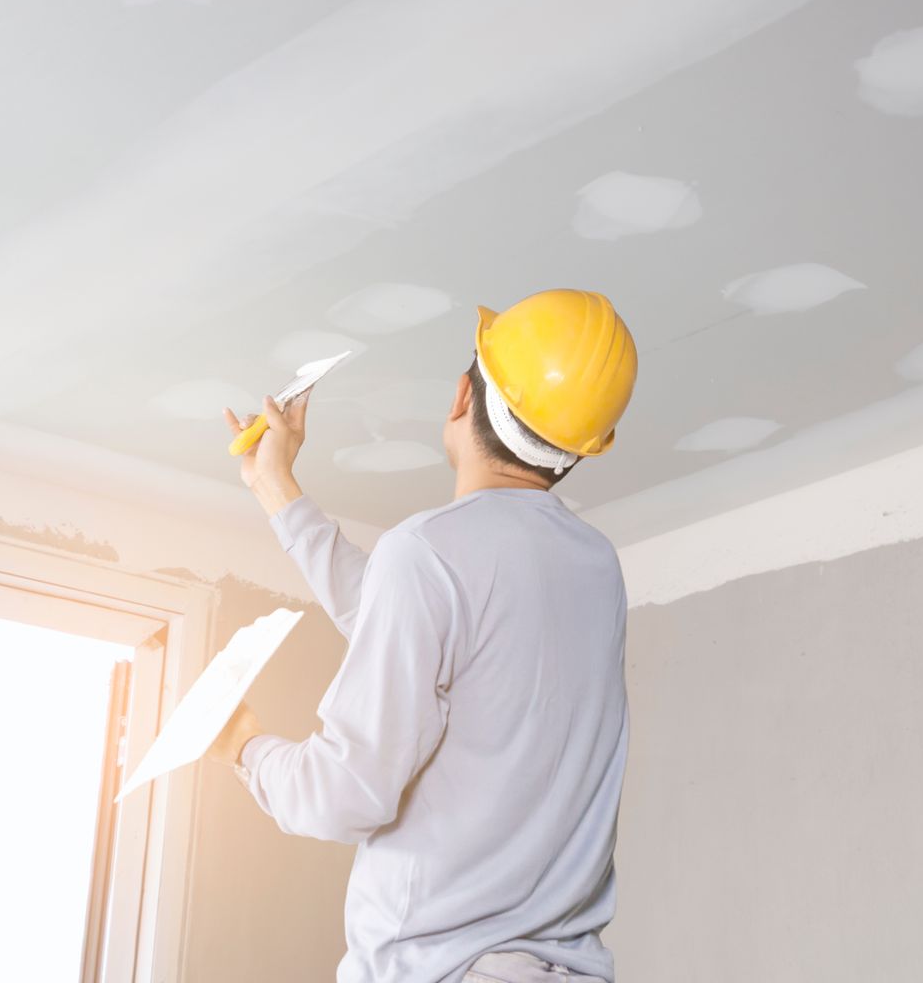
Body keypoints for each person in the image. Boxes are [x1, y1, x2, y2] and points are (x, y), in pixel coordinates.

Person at [207, 289, 639, 983]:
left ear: (461, 397)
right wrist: (275, 488)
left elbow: (345, 793)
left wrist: (241, 747)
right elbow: (411, 628)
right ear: (581, 450)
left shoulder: (430, 553)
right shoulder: (595, 566)